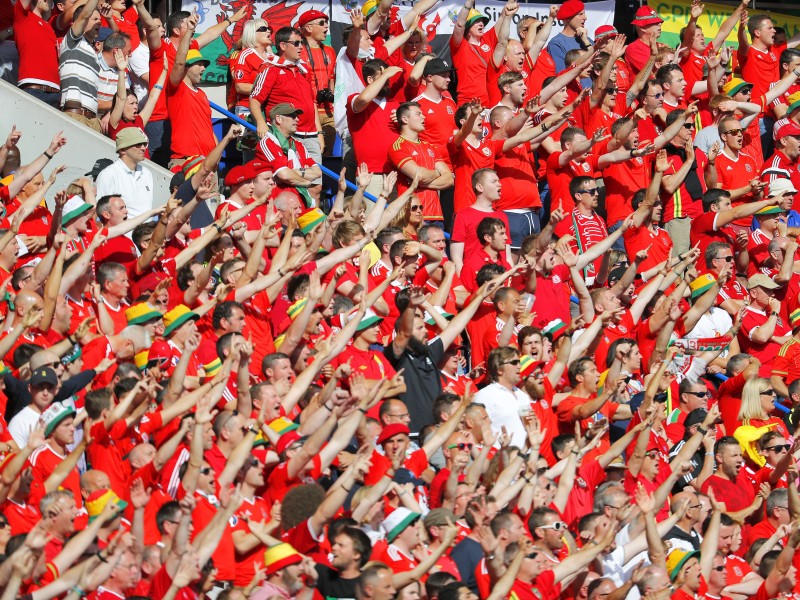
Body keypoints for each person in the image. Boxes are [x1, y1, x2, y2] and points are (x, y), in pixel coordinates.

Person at [95, 128, 154, 219]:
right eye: (138, 144)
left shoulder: (147, 174)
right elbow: (99, 214)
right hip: (122, 232)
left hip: (147, 231)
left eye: (144, 144)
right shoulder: (108, 174)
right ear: (122, 150)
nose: (143, 148)